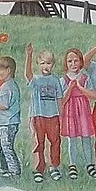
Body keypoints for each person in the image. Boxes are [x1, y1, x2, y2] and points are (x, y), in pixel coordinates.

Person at [24, 45, 65, 181]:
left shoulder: (56, 81)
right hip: (38, 115)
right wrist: (29, 56)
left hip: (53, 116)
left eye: (48, 63)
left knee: (55, 141)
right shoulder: (35, 79)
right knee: (38, 142)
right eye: (42, 63)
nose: (46, 66)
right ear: (38, 65)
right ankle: (39, 168)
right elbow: (28, 74)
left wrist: (62, 116)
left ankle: (54, 166)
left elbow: (59, 99)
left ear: (53, 64)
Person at [60, 46, 96, 177]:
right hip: (70, 111)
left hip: (83, 110)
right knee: (72, 139)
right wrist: (70, 88)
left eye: (76, 61)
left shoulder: (85, 77)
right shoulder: (63, 79)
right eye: (70, 61)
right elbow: (62, 100)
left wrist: (81, 88)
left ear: (81, 61)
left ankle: (89, 164)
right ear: (66, 63)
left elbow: (93, 95)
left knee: (86, 138)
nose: (73, 64)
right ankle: (72, 165)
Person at [0, 54, 23, 178]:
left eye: (0, 70)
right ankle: (5, 168)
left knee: (6, 146)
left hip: (8, 122)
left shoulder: (8, 87)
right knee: (1, 146)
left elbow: (3, 105)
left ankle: (14, 171)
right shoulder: (6, 85)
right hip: (4, 122)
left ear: (8, 70)